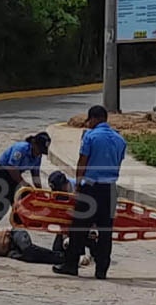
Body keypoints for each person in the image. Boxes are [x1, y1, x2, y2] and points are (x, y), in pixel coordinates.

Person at [53, 105, 126, 279]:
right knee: (105, 231)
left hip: (91, 189)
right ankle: (101, 270)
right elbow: (119, 162)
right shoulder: (120, 140)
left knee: (79, 229)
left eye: (89, 120)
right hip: (110, 190)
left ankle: (71, 265)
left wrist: (78, 185)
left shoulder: (90, 137)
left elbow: (82, 162)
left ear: (94, 119)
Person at [0, 132, 51, 227]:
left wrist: (40, 191)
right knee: (2, 207)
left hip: (14, 176)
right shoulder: (21, 149)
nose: (39, 153)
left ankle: (17, 231)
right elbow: (11, 167)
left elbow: (35, 174)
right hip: (0, 173)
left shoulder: (38, 156)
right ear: (34, 144)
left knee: (20, 206)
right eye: (39, 150)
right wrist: (23, 183)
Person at [0, 224, 65, 265]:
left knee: (28, 249)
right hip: (9, 251)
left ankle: (63, 257)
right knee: (29, 257)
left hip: (13, 234)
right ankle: (60, 258)